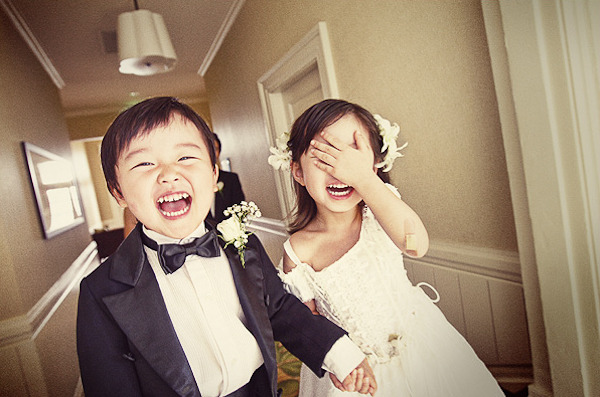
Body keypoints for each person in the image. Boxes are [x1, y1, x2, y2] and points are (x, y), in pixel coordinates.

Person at [76, 97, 377, 397]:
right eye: (144, 163)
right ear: (118, 192)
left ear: (214, 174)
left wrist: (339, 354)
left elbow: (282, 309)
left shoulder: (245, 247)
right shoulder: (102, 291)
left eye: (185, 158)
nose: (168, 173)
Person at [269, 99, 505, 397]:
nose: (341, 171)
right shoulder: (298, 250)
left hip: (423, 348)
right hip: (359, 374)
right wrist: (336, 363)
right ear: (298, 172)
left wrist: (366, 179)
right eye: (324, 159)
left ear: (375, 163)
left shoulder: (380, 211)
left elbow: (416, 245)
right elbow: (308, 324)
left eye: (352, 157)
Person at [210, 134, 246, 222]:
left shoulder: (231, 179)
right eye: (209, 148)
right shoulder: (194, 180)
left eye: (215, 149)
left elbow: (239, 209)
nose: (213, 153)